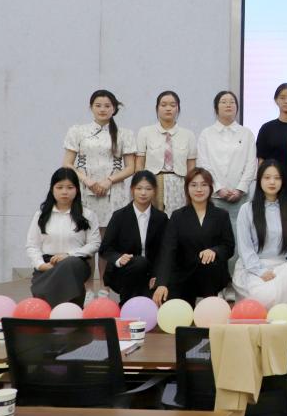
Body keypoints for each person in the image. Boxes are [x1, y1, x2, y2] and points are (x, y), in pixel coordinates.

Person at [231, 160, 287, 312]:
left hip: (282, 268)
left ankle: (283, 307)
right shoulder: (247, 209)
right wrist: (261, 272)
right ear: (259, 180)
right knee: (264, 298)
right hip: (254, 269)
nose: (272, 182)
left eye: (277, 178)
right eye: (267, 177)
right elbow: (245, 249)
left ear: (283, 181)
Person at [152, 167, 235, 305]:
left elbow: (229, 246)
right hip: (184, 275)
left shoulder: (221, 215)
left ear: (210, 188)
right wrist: (162, 282)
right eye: (194, 185)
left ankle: (213, 301)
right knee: (175, 308)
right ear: (187, 188)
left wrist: (214, 251)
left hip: (211, 274)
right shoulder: (177, 216)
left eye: (204, 185)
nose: (199, 189)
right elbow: (168, 251)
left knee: (209, 266)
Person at [196, 90, 256, 275]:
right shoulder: (206, 134)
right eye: (223, 101)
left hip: (241, 197)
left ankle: (237, 277)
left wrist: (240, 189)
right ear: (216, 108)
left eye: (232, 102)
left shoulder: (246, 133)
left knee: (240, 238)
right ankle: (219, 278)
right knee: (215, 237)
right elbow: (204, 164)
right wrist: (219, 188)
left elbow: (251, 164)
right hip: (215, 197)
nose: (228, 104)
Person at [62, 89, 136, 233]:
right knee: (84, 232)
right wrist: (86, 180)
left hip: (114, 190)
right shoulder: (77, 131)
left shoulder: (124, 134)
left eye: (107, 106)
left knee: (111, 235)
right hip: (85, 188)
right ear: (91, 107)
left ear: (114, 109)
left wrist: (109, 180)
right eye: (98, 105)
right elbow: (67, 164)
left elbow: (130, 167)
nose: (102, 109)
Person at [26, 167, 101, 306]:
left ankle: (42, 296)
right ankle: (70, 306)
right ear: (52, 189)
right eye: (59, 187)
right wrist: (40, 265)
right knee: (63, 277)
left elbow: (94, 243)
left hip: (76, 262)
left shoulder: (87, 215)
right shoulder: (41, 215)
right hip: (48, 263)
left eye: (70, 187)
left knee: (70, 264)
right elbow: (32, 245)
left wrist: (69, 255)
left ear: (77, 190)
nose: (64, 192)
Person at [100, 170, 168, 302]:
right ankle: (127, 304)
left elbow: (164, 252)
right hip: (124, 272)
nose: (143, 193)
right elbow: (105, 249)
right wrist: (119, 258)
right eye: (139, 188)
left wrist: (159, 276)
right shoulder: (119, 216)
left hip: (151, 274)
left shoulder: (161, 218)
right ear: (132, 190)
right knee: (139, 263)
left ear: (154, 191)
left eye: (148, 189)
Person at [136, 90, 197, 215]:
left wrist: (191, 188)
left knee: (178, 218)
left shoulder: (188, 135)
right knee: (153, 219)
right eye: (163, 105)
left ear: (178, 108)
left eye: (172, 105)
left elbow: (191, 167)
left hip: (179, 183)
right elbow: (140, 163)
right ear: (157, 108)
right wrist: (141, 185)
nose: (168, 108)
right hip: (153, 182)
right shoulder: (145, 132)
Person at [255, 83, 287, 200]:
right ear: (276, 100)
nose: (286, 101)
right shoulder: (267, 128)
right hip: (272, 183)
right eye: (282, 98)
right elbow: (261, 161)